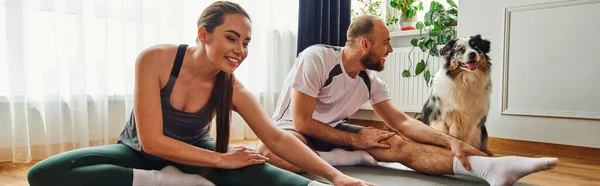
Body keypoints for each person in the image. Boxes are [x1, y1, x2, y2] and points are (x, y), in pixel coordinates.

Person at [27, 1, 375, 186]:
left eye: (246, 41)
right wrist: (222, 160)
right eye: (231, 37)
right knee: (44, 174)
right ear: (204, 34)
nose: (240, 49)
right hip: (136, 152)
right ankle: (169, 183)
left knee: (253, 167)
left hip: (195, 152)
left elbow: (276, 138)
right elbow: (151, 143)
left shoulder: (231, 86)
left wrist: (336, 177)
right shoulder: (155, 60)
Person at [257, 15, 559, 186]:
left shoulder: (370, 80)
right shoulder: (317, 58)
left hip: (333, 134)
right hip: (292, 133)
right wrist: (359, 142)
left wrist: (450, 142)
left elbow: (402, 123)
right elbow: (302, 122)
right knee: (268, 152)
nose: (389, 49)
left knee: (397, 144)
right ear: (365, 43)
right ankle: (339, 159)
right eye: (386, 42)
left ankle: (490, 169)